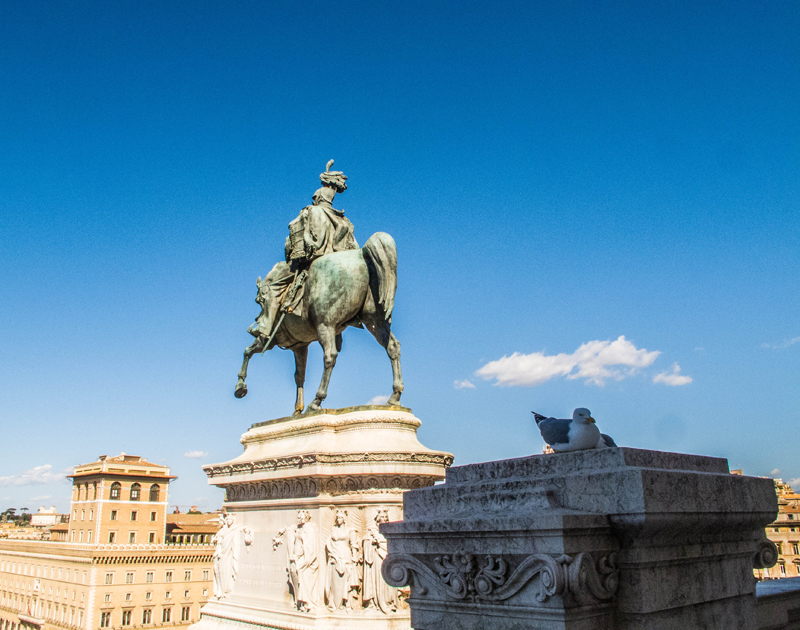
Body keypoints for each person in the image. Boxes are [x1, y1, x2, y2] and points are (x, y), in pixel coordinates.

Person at [249, 161, 358, 342]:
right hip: (339, 258)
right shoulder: (344, 220)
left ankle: (265, 327)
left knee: (273, 285)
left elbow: (295, 241)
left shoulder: (311, 212)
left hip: (311, 260)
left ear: (317, 197)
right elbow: (354, 248)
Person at [362, 509, 398, 613]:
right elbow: (366, 541)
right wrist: (372, 542)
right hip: (377, 557)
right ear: (378, 519)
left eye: (385, 518)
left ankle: (390, 602)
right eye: (382, 518)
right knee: (378, 578)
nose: (384, 520)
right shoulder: (372, 531)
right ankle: (376, 602)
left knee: (389, 580)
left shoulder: (391, 530)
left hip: (389, 558)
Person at [324, 510, 360, 611]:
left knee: (345, 580)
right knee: (335, 580)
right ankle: (334, 602)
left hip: (345, 555)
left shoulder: (350, 530)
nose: (338, 519)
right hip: (334, 556)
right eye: (337, 518)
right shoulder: (334, 529)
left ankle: (346, 601)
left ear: (344, 519)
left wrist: (354, 556)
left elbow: (353, 544)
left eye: (340, 517)